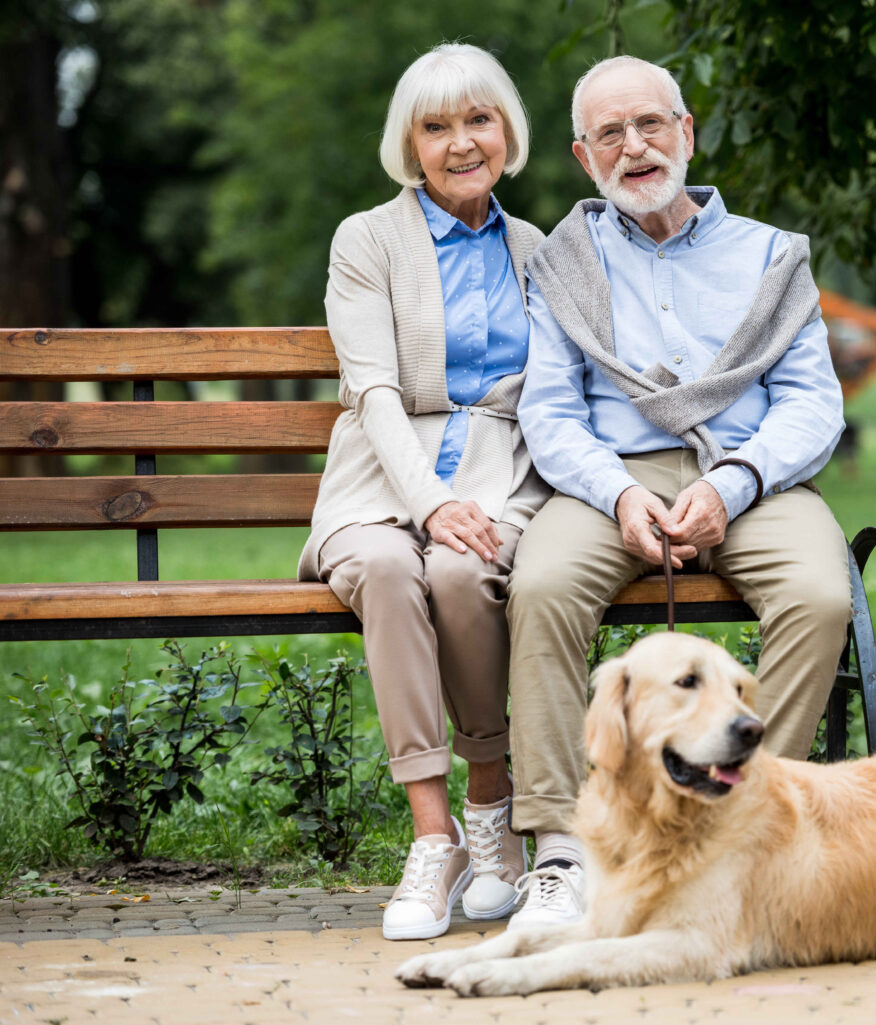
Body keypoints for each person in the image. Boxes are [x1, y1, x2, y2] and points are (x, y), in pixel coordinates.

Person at [506, 55, 853, 923]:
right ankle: (561, 849)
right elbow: (549, 412)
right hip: (609, 481)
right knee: (541, 585)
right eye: (610, 135)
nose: (635, 148)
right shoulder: (563, 263)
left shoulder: (771, 257)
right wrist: (618, 495)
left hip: (752, 475)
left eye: (651, 124)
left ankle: (748, 818)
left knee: (818, 593)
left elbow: (815, 402)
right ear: (585, 158)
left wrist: (734, 483)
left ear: (687, 132)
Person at [297, 43, 551, 941]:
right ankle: (434, 835)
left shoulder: (538, 250)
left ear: (506, 132)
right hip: (376, 478)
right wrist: (428, 499)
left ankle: (493, 805)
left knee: (456, 572)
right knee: (389, 566)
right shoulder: (367, 240)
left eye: (477, 120)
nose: (460, 143)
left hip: (501, 479)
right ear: (410, 142)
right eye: (436, 126)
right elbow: (368, 387)